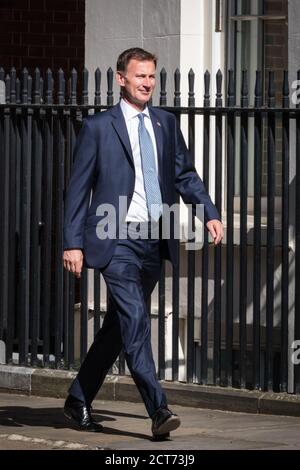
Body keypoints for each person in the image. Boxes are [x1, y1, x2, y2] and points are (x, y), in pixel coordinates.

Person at [62, 47, 223, 440]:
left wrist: (209, 212)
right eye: (139, 76)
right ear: (121, 79)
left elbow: (184, 174)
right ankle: (159, 409)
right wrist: (72, 243)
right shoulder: (99, 127)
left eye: (151, 76)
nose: (147, 83)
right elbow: (77, 189)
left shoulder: (166, 123)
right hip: (113, 238)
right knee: (136, 320)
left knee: (118, 328)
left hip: (153, 239)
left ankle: (77, 398)